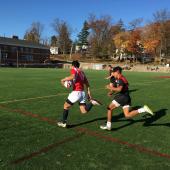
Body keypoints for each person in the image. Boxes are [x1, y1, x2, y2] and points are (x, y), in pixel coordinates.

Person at [100, 66, 154, 131]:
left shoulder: (121, 79)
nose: (112, 74)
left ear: (117, 72)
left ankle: (108, 126)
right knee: (127, 115)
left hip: (122, 97)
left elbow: (119, 89)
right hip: (126, 97)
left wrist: (110, 88)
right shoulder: (119, 78)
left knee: (109, 108)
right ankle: (143, 109)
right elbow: (122, 87)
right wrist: (112, 92)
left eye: (113, 72)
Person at [57, 60, 102, 128]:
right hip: (82, 93)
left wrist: (64, 79)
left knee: (65, 106)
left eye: (71, 66)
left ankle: (63, 122)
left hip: (76, 92)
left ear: (73, 66)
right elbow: (87, 83)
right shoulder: (82, 72)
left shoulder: (74, 70)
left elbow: (73, 76)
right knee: (84, 111)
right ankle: (92, 103)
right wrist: (89, 93)